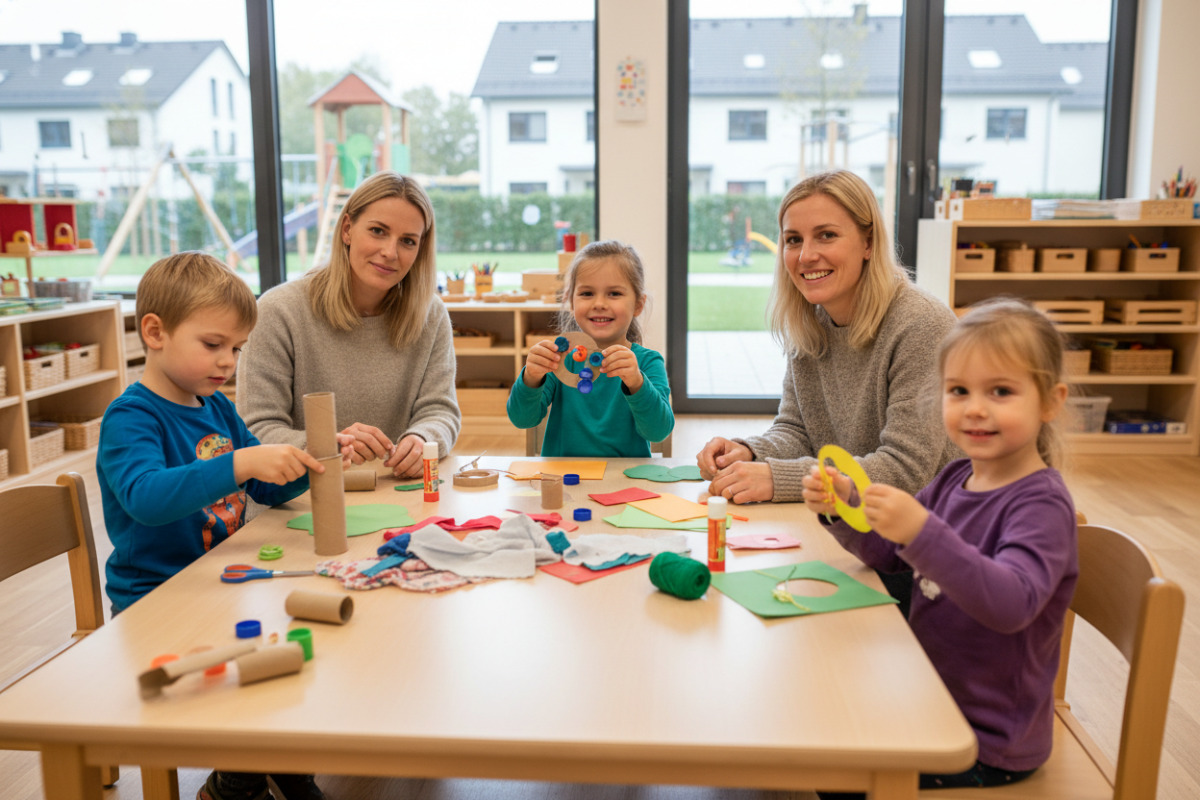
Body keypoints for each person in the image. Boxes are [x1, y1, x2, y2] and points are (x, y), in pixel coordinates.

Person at [97, 252, 347, 800]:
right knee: (254, 673)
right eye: (213, 345)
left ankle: (283, 766)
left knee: (297, 655)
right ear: (155, 332)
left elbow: (263, 486)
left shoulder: (215, 407)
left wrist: (312, 461)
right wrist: (238, 463)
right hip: (155, 600)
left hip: (217, 581)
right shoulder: (131, 417)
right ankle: (234, 784)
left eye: (236, 349)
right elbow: (145, 497)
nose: (228, 362)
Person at [803, 297, 1078, 792]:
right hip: (929, 700)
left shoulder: (1041, 505)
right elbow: (891, 554)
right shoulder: (956, 478)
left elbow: (1012, 603)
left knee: (836, 773)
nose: (975, 408)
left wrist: (921, 532)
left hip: (988, 741)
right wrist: (841, 508)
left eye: (1000, 391)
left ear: (1051, 401)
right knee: (817, 717)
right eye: (958, 390)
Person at [696, 169, 957, 612]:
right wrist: (749, 452)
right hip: (860, 534)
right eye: (793, 239)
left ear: (869, 242)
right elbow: (798, 430)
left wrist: (777, 478)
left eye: (827, 235)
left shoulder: (921, 326)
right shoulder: (812, 321)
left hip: (928, 564)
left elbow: (905, 470)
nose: (806, 255)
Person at [240, 171, 460, 479]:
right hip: (301, 497)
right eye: (378, 231)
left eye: (408, 241)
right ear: (347, 229)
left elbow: (440, 411)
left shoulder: (431, 315)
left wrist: (423, 439)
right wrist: (328, 445)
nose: (390, 252)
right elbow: (255, 432)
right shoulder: (278, 312)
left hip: (394, 491)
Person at [508, 239, 673, 456]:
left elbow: (658, 431)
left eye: (614, 293)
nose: (599, 304)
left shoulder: (647, 362)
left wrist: (636, 382)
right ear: (571, 302)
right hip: (564, 482)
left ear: (638, 305)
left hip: (626, 485)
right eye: (587, 293)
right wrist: (531, 378)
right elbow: (522, 419)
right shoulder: (561, 359)